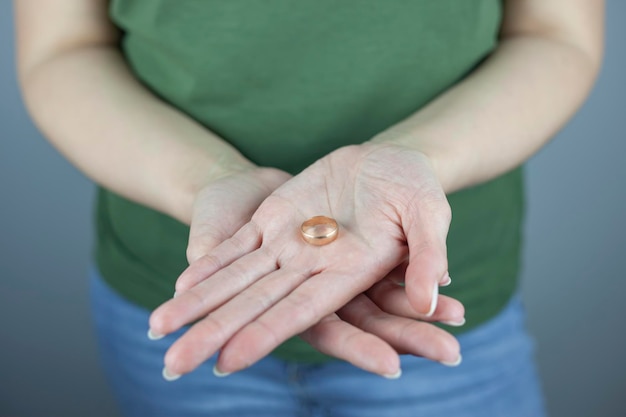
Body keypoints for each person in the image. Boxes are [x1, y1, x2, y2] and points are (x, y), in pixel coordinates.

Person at [15, 0, 603, 416]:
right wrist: (208, 178)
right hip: (189, 293)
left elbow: (557, 32)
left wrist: (412, 156)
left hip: (431, 296)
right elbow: (63, 47)